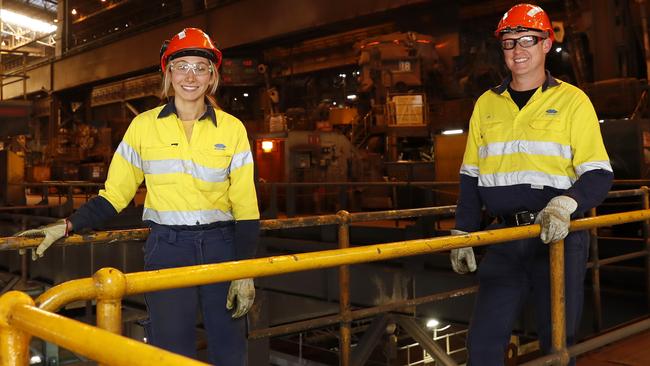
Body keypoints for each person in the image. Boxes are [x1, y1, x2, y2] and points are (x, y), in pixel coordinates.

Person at [16, 27, 259, 365]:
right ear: (168, 72)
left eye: (200, 67)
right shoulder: (143, 128)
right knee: (169, 351)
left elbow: (246, 206)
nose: (191, 76)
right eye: (182, 66)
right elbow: (114, 195)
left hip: (223, 246)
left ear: (212, 76)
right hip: (168, 248)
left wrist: (245, 271)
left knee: (230, 348)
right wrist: (67, 225)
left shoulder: (232, 129)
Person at [449, 4, 613, 365]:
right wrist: (463, 230)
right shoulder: (486, 105)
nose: (518, 49)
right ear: (502, 49)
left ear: (546, 44)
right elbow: (470, 178)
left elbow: (599, 173)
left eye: (528, 40)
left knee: (556, 347)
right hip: (504, 242)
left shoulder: (573, 102)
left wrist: (564, 205)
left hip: (556, 242)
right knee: (482, 346)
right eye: (509, 42)